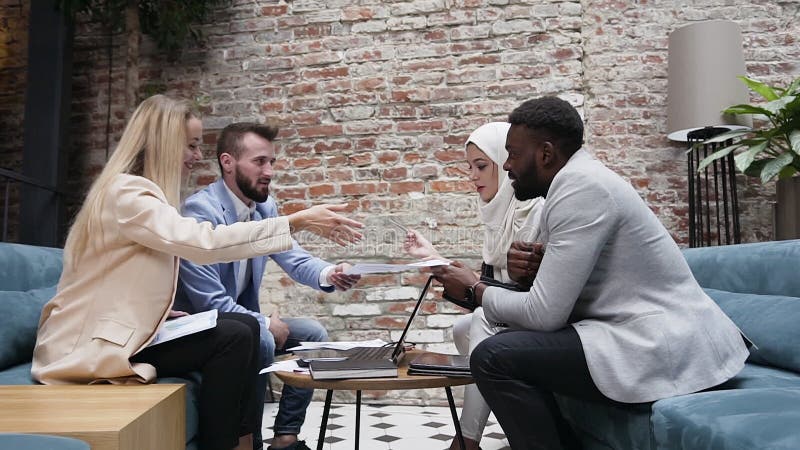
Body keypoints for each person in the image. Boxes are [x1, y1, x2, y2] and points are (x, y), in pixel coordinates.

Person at [31, 95, 363, 450]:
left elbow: (124, 278)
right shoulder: (129, 193)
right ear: (164, 143)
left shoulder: (146, 196)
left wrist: (159, 311)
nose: (195, 156)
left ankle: (267, 440)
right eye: (189, 145)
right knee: (240, 334)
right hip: (93, 345)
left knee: (249, 328)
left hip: (135, 329)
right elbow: (203, 244)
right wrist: (296, 221)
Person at [431, 96, 749, 450]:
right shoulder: (573, 183)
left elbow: (544, 314)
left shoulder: (581, 188)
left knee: (493, 356)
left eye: (513, 154)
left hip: (660, 341)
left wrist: (475, 289)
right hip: (622, 329)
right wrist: (534, 275)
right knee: (501, 340)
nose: (506, 165)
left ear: (546, 154)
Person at [175, 122, 361, 450]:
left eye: (272, 162)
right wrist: (263, 323)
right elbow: (210, 302)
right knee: (260, 336)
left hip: (240, 321)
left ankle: (285, 438)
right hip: (202, 330)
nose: (269, 171)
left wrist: (331, 272)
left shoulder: (264, 207)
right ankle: (250, 442)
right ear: (228, 162)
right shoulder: (200, 212)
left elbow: (294, 257)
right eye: (260, 162)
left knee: (314, 335)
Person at [404, 122, 543, 450]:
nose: (473, 176)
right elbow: (487, 293)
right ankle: (514, 420)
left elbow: (528, 295)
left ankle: (467, 440)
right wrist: (435, 260)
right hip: (514, 314)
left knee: (479, 323)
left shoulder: (534, 210)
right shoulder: (498, 217)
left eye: (481, 166)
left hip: (544, 316)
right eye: (470, 167)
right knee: (463, 328)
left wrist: (471, 282)